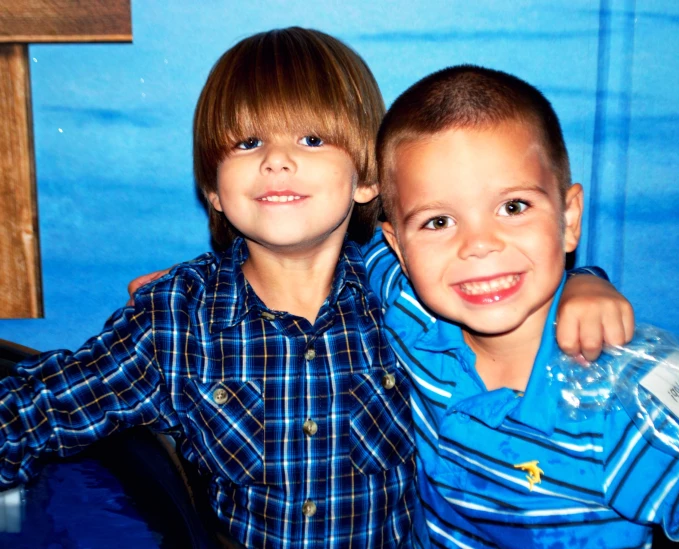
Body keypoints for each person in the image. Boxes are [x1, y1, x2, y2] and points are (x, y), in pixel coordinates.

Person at [3, 28, 629, 549]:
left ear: (366, 181)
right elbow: (35, 411)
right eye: (248, 143)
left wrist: (580, 286)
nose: (277, 160)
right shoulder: (176, 322)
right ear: (215, 191)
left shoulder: (403, 291)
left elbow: (504, 287)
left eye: (310, 138)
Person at [365, 64, 679, 548]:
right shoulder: (405, 310)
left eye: (513, 207)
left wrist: (578, 283)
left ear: (569, 219)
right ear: (398, 247)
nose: (478, 245)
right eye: (439, 222)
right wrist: (583, 281)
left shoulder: (619, 397)